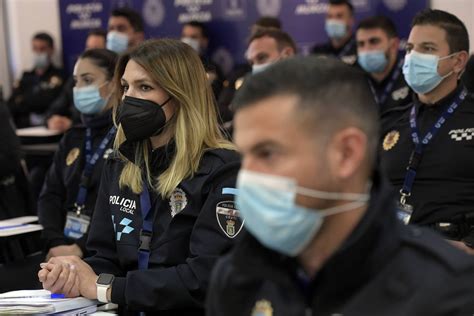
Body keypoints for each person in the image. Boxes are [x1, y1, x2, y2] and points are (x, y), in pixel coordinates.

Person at [206, 55, 474, 316]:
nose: (247, 176)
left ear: (346, 154)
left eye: (267, 153)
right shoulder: (238, 276)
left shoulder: (446, 291)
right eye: (245, 155)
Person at [38, 39, 243, 315]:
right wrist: (74, 273)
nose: (128, 98)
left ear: (181, 94)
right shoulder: (120, 164)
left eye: (144, 87)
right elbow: (104, 257)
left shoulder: (223, 169)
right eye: (125, 87)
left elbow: (204, 278)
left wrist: (104, 288)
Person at [380, 9, 474, 253]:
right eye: (410, 48)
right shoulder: (390, 121)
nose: (413, 56)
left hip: (457, 258)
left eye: (428, 49)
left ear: (458, 60)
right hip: (394, 253)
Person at [38, 49, 118, 260]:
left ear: (113, 84)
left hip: (105, 253)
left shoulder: (125, 137)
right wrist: (55, 242)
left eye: (88, 80)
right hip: (61, 249)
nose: (79, 88)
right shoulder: (74, 136)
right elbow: (50, 195)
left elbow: (123, 209)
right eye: (76, 81)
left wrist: (80, 248)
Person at [218, 28, 296, 126]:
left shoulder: (314, 92)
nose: (256, 66)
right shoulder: (248, 93)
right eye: (251, 62)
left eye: (262, 58)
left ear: (287, 54)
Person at [356, 16, 412, 130]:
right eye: (361, 44)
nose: (366, 49)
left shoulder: (412, 77)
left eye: (374, 41)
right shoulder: (352, 81)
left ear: (394, 45)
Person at [47, 29, 108, 132]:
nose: (89, 53)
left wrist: (72, 124)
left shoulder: (112, 82)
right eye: (88, 48)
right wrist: (53, 120)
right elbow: (54, 109)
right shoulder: (75, 80)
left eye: (96, 49)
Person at [7, 32, 64, 128]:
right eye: (35, 48)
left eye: (42, 49)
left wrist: (23, 100)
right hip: (24, 131)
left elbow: (54, 104)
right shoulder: (25, 77)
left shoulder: (60, 76)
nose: (38, 52)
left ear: (51, 49)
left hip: (50, 132)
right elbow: (11, 106)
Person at [181, 20, 224, 99]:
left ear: (204, 41)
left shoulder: (211, 68)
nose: (187, 41)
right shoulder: (171, 64)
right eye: (184, 36)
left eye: (193, 37)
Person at [312, 0, 357, 65]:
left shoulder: (360, 49)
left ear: (351, 20)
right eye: (329, 16)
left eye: (339, 16)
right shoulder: (317, 51)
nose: (333, 21)